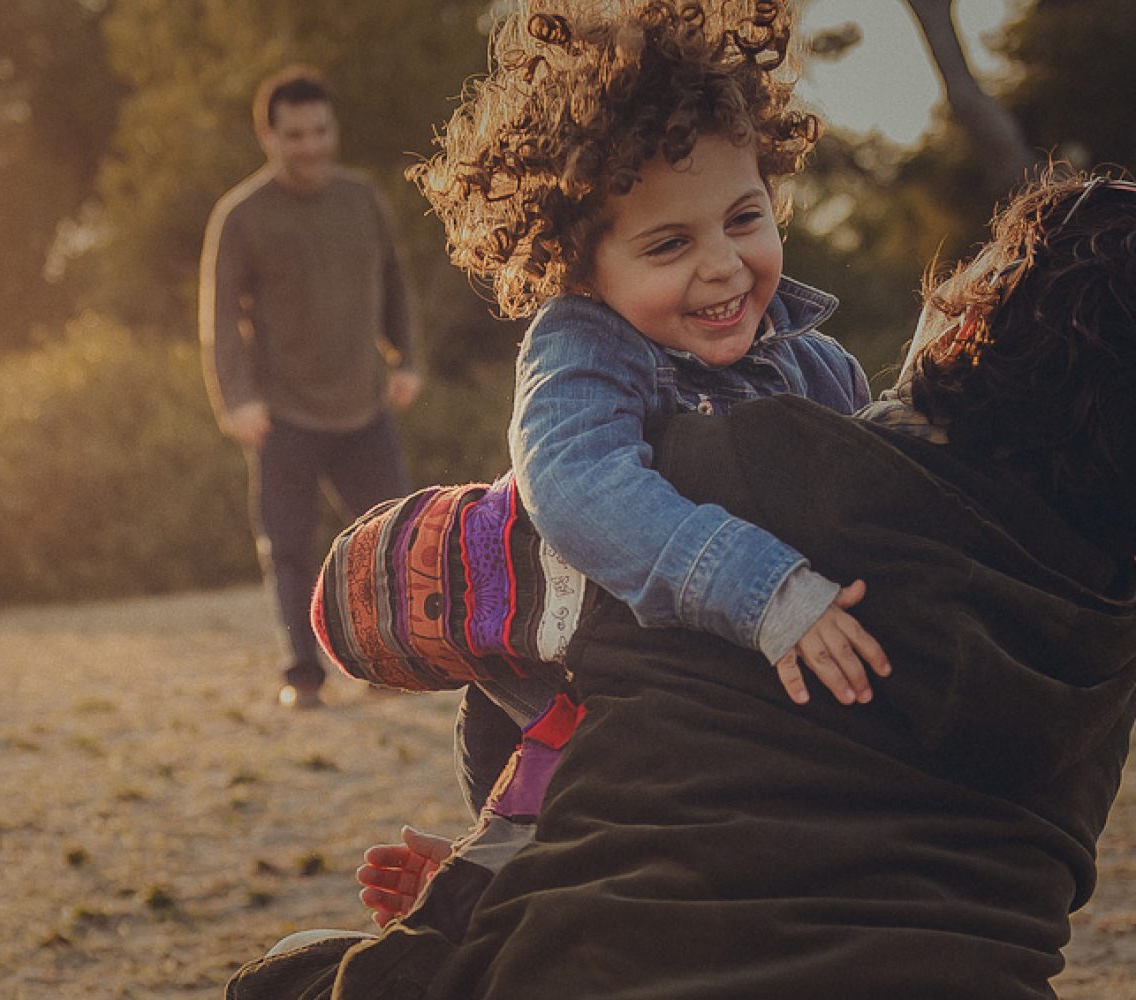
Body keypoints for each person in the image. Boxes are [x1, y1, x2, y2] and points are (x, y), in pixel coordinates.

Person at [233, 169, 1136, 998]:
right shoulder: (1108, 630)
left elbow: (365, 588)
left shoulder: (720, 472)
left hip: (593, 968)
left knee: (286, 968)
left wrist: (504, 863)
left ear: (970, 323)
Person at [311, 0, 887, 819]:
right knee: (600, 867)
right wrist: (767, 593)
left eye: (743, 219)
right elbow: (577, 484)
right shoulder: (590, 343)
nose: (723, 266)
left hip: (729, 702)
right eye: (670, 245)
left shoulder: (821, 371)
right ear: (580, 262)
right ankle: (494, 879)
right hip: (563, 714)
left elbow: (887, 504)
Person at [199, 65, 423, 709]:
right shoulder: (241, 214)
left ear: (334, 129)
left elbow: (396, 283)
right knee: (290, 547)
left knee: (392, 540)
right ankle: (304, 676)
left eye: (320, 131)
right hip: (284, 413)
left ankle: (388, 666)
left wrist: (406, 358)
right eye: (295, 135)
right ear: (268, 137)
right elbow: (216, 317)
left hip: (363, 404)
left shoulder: (363, 199)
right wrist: (236, 399)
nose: (311, 146)